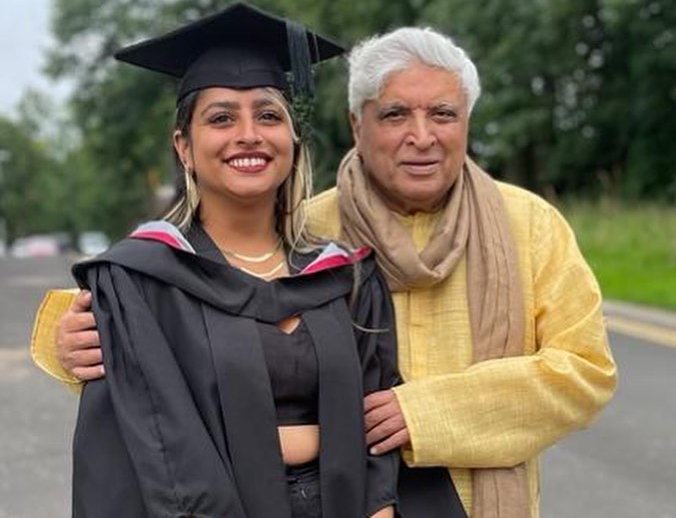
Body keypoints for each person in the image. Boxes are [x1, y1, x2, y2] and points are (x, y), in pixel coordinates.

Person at [31, 25, 617, 518]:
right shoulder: (312, 225)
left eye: (443, 113)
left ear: (466, 121)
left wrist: (427, 413)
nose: (421, 135)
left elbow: (586, 372)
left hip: (473, 495)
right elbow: (168, 318)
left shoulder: (529, 225)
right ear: (356, 125)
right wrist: (66, 341)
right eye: (394, 114)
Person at [38, 2, 400, 518]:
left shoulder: (348, 274)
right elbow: (140, 450)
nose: (248, 134)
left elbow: (377, 413)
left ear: (293, 142)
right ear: (184, 147)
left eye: (269, 115)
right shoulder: (139, 282)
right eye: (222, 118)